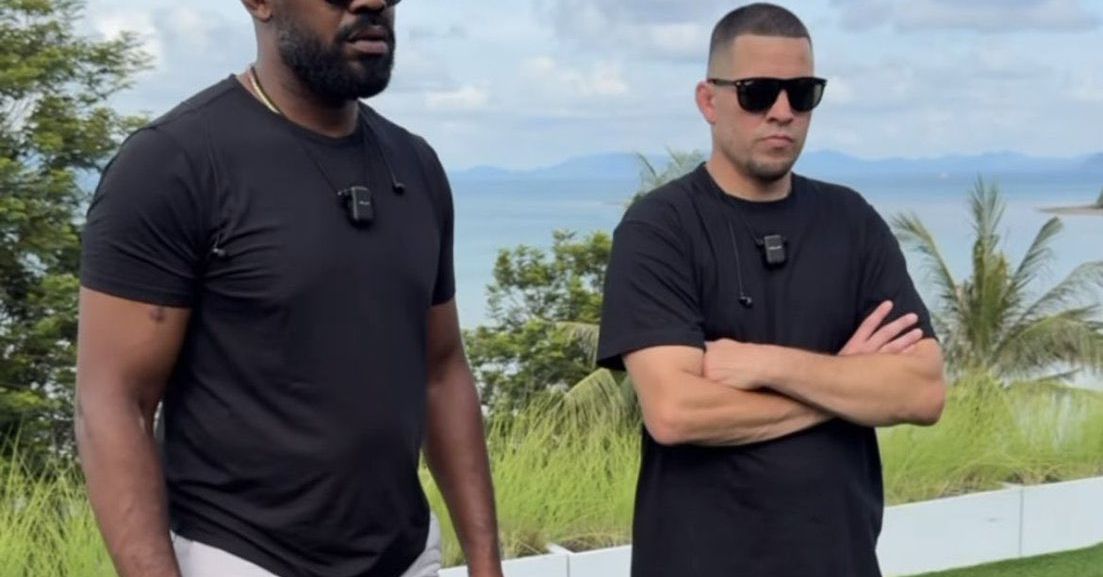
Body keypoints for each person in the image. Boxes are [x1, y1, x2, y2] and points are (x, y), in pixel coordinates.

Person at [75, 1, 503, 576]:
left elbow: (443, 371)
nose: (372, 2)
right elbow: (113, 402)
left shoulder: (415, 165)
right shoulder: (172, 164)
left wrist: (485, 561)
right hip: (243, 557)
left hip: (406, 555)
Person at [596, 3, 946, 577]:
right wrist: (846, 382)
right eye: (757, 93)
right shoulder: (659, 229)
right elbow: (676, 412)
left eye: (802, 93)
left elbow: (922, 391)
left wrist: (764, 364)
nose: (782, 112)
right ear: (709, 101)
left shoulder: (851, 222)